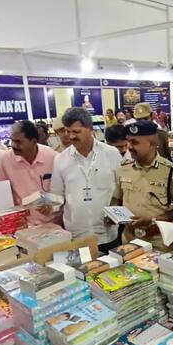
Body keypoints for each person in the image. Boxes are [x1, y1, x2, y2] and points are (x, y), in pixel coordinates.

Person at [51, 108, 122, 253]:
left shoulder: (111, 154)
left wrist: (116, 209)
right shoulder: (60, 159)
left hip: (107, 234)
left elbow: (122, 188)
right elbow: (57, 195)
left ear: (90, 129)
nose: (71, 136)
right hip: (76, 236)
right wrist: (48, 205)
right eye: (67, 131)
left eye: (76, 132)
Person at [111, 120, 173, 248]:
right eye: (128, 141)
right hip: (129, 241)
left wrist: (155, 220)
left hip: (158, 241)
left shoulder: (170, 170)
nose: (129, 146)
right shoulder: (124, 168)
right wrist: (113, 214)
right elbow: (117, 198)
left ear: (153, 143)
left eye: (135, 142)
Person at [0, 120, 59, 225]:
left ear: (33, 141)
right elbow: (0, 193)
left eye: (19, 142)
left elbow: (62, 191)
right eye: (12, 141)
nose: (13, 145)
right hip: (23, 226)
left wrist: (53, 206)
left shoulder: (53, 157)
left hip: (54, 223)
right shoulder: (5, 160)